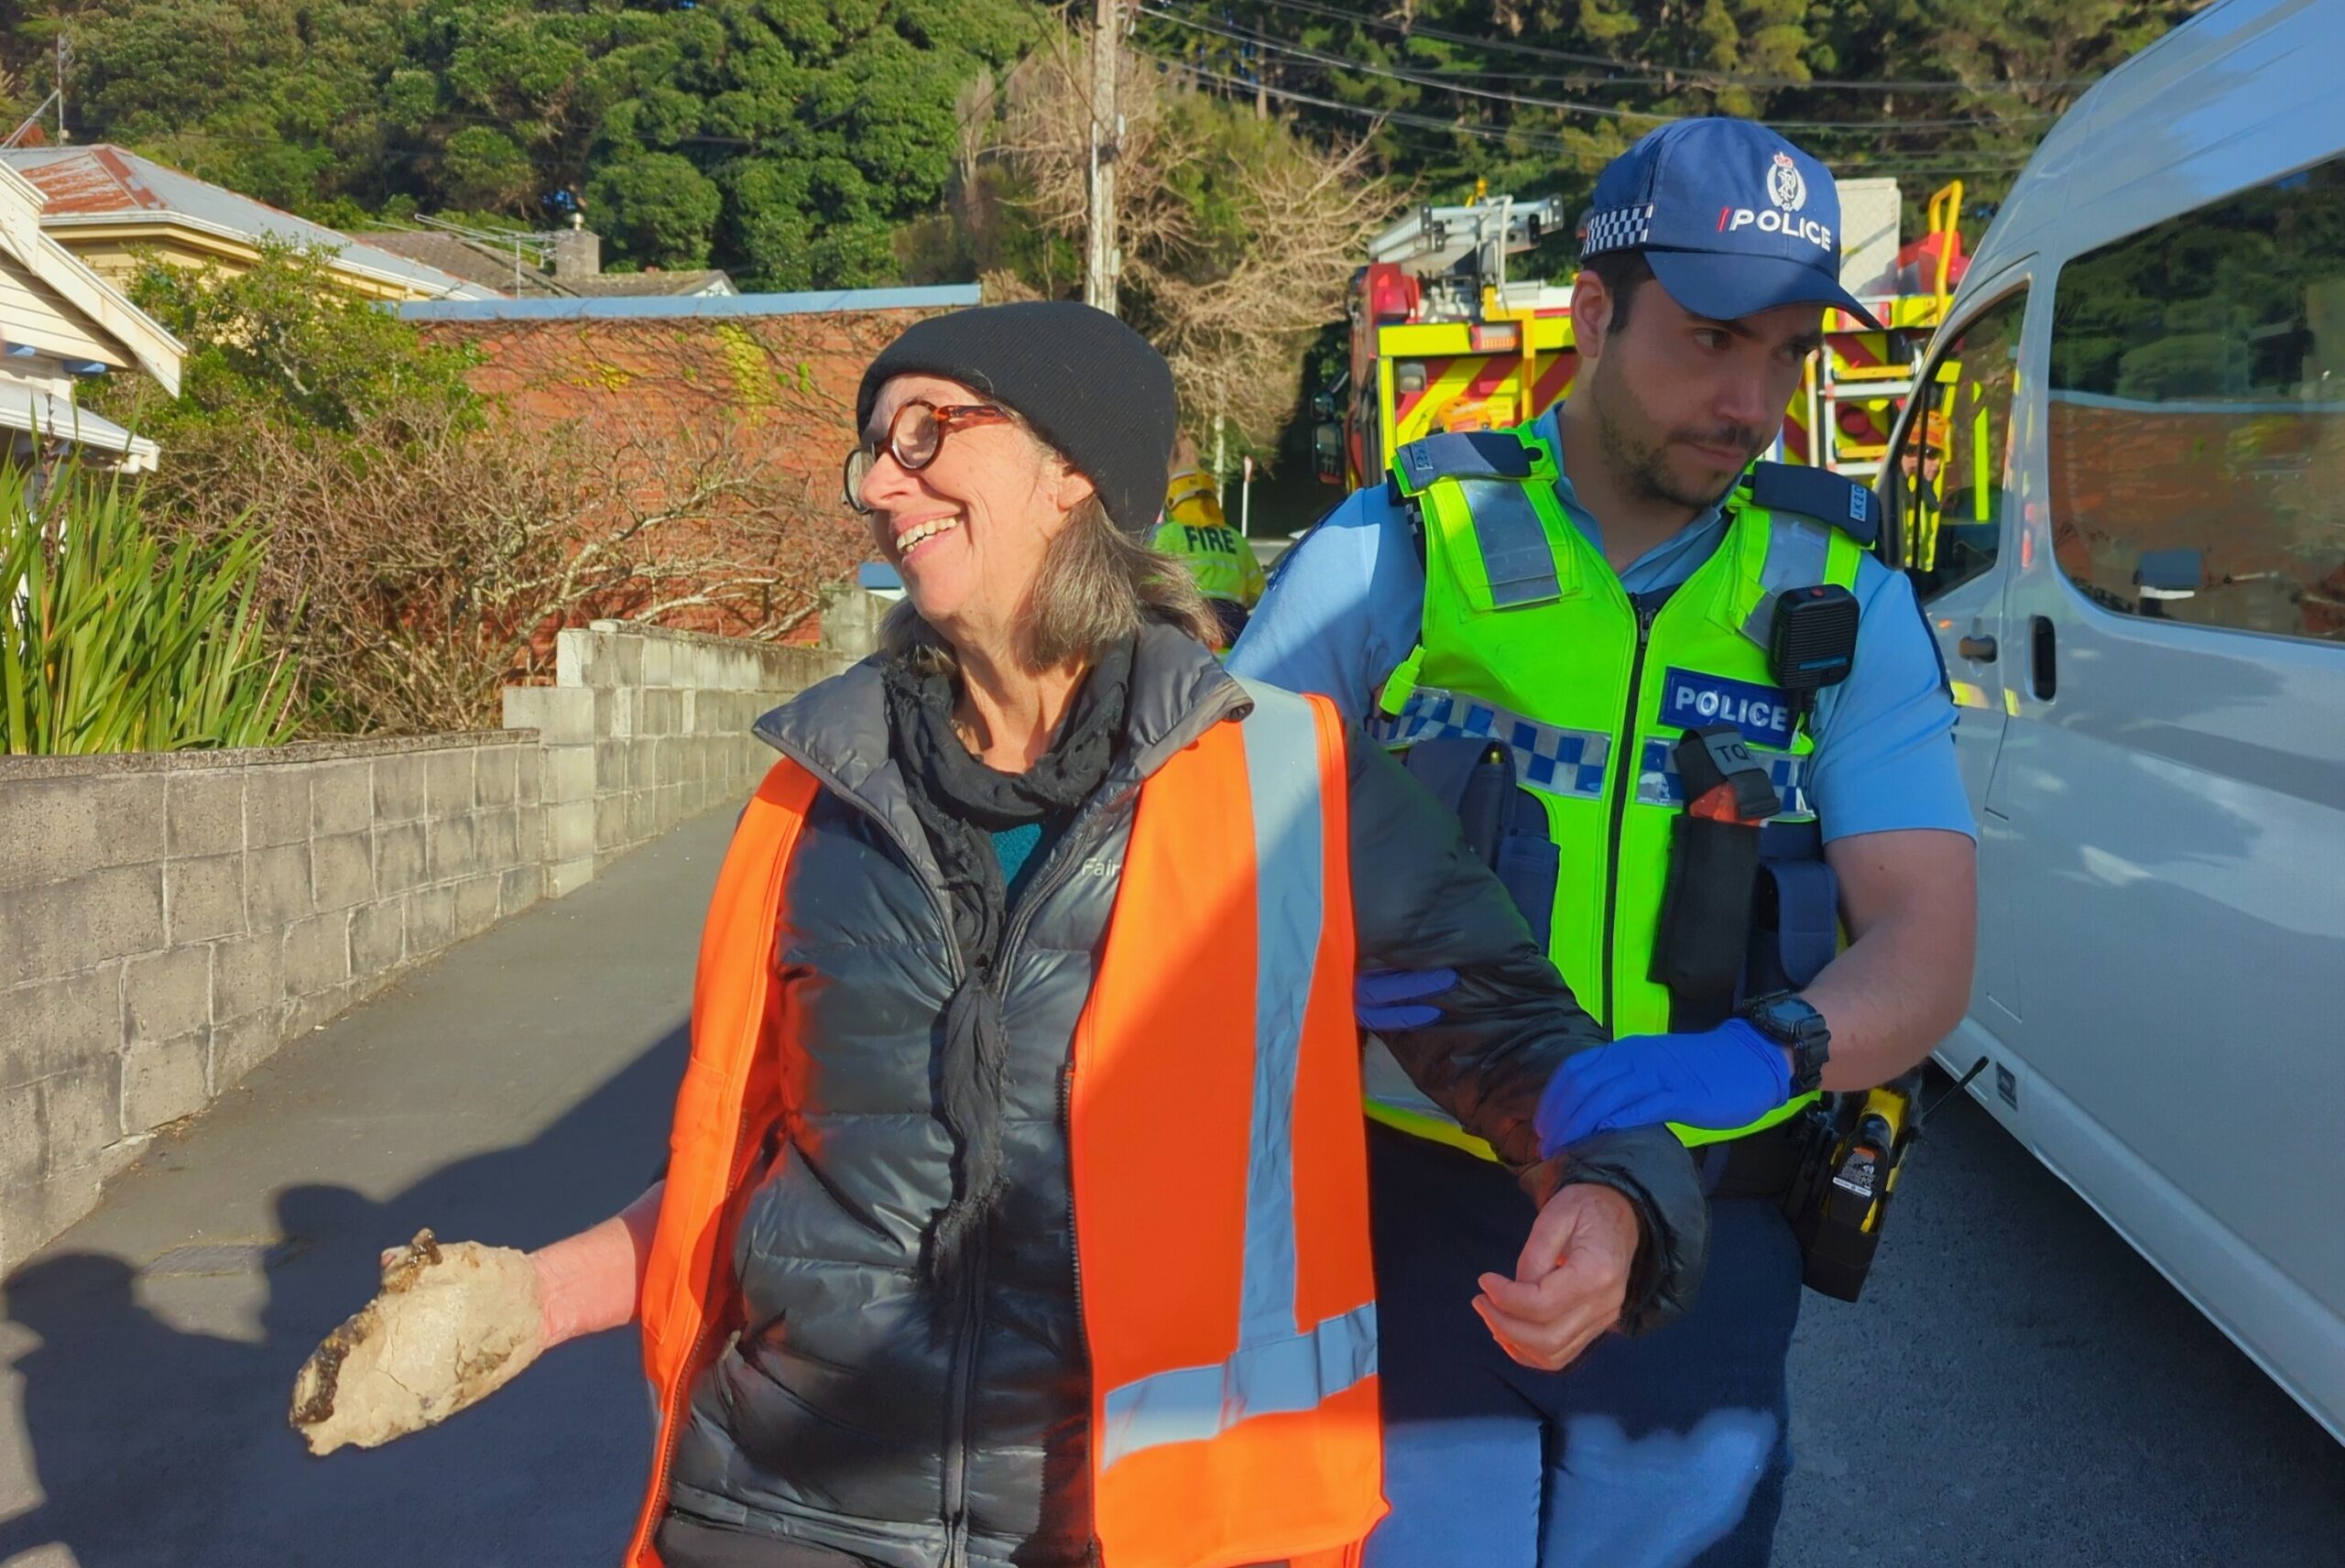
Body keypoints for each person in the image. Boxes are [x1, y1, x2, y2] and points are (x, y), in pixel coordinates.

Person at [290, 301, 1709, 1568]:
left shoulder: (1297, 782)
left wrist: (1613, 1186)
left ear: (1074, 469)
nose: (879, 483)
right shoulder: (812, 799)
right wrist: (527, 1301)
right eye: (867, 454)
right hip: (782, 1508)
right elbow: (770, 1172)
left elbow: (1515, 1028)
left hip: (1126, 1525)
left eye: (926, 432)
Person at [1228, 119, 1980, 1568]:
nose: (1748, 398)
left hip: (1710, 1228)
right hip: (1412, 1209)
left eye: (1785, 355)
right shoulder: (1390, 557)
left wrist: (1766, 1055)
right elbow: (1208, 857)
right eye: (1709, 339)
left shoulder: (1843, 603)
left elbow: (1927, 945)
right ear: (1590, 313)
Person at [1152, 430, 1267, 648]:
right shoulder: (1236, 539)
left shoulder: (1170, 534)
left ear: (1173, 501)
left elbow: (1151, 588)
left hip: (1188, 645)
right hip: (1233, 654)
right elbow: (1258, 593)